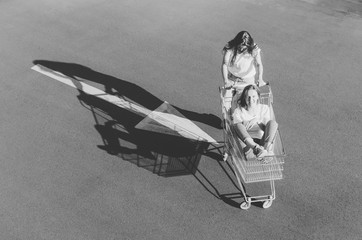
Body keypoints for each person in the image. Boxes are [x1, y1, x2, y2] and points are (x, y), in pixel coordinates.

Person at [232, 85, 278, 162]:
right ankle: (257, 148)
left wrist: (256, 120)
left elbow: (268, 128)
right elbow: (238, 130)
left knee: (272, 123)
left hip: (263, 143)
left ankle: (266, 150)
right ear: (244, 98)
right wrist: (243, 123)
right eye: (248, 97)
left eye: (253, 96)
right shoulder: (239, 111)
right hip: (248, 146)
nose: (251, 99)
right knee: (238, 125)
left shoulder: (264, 108)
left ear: (257, 97)